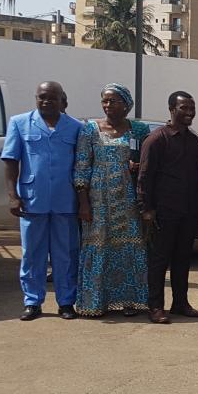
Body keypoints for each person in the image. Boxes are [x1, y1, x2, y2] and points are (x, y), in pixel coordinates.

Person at [4, 82, 82, 321]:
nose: (46, 101)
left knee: (66, 254)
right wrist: (13, 197)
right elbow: (10, 161)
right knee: (32, 254)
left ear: (62, 100)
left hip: (65, 201)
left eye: (52, 98)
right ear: (35, 98)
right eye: (41, 97)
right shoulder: (19, 123)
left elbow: (82, 165)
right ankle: (32, 302)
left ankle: (66, 302)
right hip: (31, 200)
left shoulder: (76, 127)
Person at [72, 83, 150, 318]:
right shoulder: (90, 129)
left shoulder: (138, 129)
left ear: (126, 105)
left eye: (113, 101)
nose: (107, 105)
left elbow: (148, 162)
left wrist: (138, 168)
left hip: (128, 200)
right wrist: (83, 203)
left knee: (129, 247)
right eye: (105, 101)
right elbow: (82, 166)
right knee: (98, 247)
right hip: (99, 200)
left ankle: (130, 301)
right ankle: (96, 302)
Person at [138, 91, 198, 324]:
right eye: (184, 108)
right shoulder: (157, 139)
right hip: (162, 212)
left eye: (192, 108)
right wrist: (146, 209)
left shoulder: (196, 142)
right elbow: (145, 176)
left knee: (182, 259)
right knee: (159, 261)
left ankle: (180, 303)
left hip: (188, 212)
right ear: (171, 109)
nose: (189, 112)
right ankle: (155, 306)